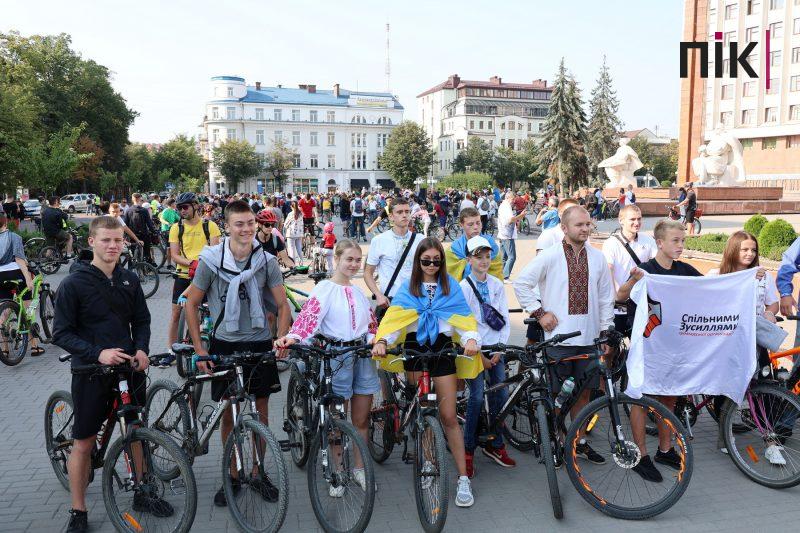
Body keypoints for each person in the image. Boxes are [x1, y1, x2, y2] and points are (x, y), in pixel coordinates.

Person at [53, 216, 165, 533]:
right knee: (84, 443)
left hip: (128, 369)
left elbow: (141, 321)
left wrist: (142, 349)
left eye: (118, 240)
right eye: (106, 240)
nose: (113, 246)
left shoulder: (129, 280)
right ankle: (78, 511)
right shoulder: (74, 284)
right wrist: (97, 352)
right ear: (92, 242)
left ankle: (142, 492)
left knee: (135, 431)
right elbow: (61, 333)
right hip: (91, 372)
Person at [185, 200, 291, 507]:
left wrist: (282, 338)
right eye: (239, 224)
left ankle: (258, 472)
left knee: (261, 412)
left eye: (250, 223)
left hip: (258, 343)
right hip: (224, 344)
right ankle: (232, 474)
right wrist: (200, 348)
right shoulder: (212, 260)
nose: (245, 229)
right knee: (229, 414)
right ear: (227, 226)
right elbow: (190, 303)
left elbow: (283, 304)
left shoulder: (266, 260)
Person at [372, 237, 481, 508]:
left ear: (442, 262)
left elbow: (464, 318)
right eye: (426, 260)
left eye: (436, 260)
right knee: (421, 407)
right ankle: (428, 462)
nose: (431, 265)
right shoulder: (407, 288)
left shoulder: (450, 286)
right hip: (414, 348)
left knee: (448, 416)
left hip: (442, 348)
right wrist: (384, 340)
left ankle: (463, 478)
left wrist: (470, 339)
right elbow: (395, 319)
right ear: (418, 262)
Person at [275, 239, 379, 494]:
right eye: (349, 260)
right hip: (336, 357)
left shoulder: (358, 293)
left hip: (362, 356)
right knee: (335, 418)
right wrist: (294, 337)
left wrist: (377, 339)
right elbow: (309, 318)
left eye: (357, 261)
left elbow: (370, 326)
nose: (353, 265)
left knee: (361, 419)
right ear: (337, 260)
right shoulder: (324, 289)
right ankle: (338, 471)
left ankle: (359, 469)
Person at [513, 205, 614, 465]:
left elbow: (606, 297)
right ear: (564, 228)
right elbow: (521, 282)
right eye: (579, 224)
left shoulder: (597, 257)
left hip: (589, 340)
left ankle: (578, 443)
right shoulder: (551, 255)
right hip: (559, 341)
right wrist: (539, 313)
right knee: (558, 396)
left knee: (583, 395)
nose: (585, 229)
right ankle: (557, 442)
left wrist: (604, 330)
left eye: (588, 224)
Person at [616, 219, 702, 482]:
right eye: (675, 241)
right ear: (660, 242)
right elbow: (620, 297)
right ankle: (640, 456)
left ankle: (665, 450)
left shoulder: (685, 270)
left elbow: (713, 288)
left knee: (669, 398)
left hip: (673, 348)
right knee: (642, 400)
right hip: (646, 348)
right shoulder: (645, 270)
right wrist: (632, 280)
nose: (680, 246)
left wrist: (745, 277)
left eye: (683, 241)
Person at [709, 230, 780, 457]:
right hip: (727, 342)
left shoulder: (763, 276)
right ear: (733, 250)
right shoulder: (717, 274)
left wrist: (770, 313)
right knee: (726, 390)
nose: (750, 254)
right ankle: (724, 435)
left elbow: (773, 303)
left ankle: (770, 441)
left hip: (756, 342)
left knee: (764, 388)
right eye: (745, 249)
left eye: (753, 250)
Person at [459, 236, 514, 477]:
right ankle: (468, 450)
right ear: (469, 259)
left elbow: (504, 318)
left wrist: (500, 349)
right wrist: (479, 354)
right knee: (477, 398)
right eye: (478, 257)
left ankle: (496, 443)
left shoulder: (496, 284)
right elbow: (463, 324)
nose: (483, 261)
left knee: (501, 396)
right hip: (473, 350)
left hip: (496, 348)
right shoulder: (463, 287)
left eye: (487, 256)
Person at [161, 192, 221, 367]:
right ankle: (171, 350)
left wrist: (202, 264)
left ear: (195, 206)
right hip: (184, 275)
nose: (181, 210)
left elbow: (215, 251)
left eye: (185, 207)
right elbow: (174, 254)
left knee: (212, 313)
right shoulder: (176, 228)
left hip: (206, 276)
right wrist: (192, 263)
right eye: (179, 208)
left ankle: (213, 345)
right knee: (175, 313)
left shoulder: (209, 226)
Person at [601, 204, 657, 333]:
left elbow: (656, 264)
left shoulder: (648, 240)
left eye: (639, 219)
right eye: (632, 219)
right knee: (614, 342)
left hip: (641, 301)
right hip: (620, 301)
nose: (637, 223)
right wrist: (617, 298)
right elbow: (609, 271)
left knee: (641, 339)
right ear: (621, 221)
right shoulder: (611, 243)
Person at [364, 198, 421, 312]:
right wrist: (378, 295)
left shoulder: (420, 239)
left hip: (416, 300)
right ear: (391, 217)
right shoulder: (379, 240)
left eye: (407, 211)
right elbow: (367, 273)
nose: (404, 215)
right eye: (399, 212)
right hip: (391, 302)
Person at [0, 208, 42, 356]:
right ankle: (34, 346)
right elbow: (19, 259)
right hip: (14, 273)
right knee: (26, 307)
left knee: (3, 312)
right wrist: (28, 279)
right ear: (5, 221)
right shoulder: (14, 237)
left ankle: (4, 350)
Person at [445, 207, 503, 281]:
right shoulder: (454, 249)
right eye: (470, 224)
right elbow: (449, 276)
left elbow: (497, 270)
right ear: (461, 225)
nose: (476, 227)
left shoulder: (491, 244)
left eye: (478, 223)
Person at [496, 192, 527, 283]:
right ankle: (505, 277)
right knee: (512, 257)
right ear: (509, 198)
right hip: (507, 235)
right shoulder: (506, 207)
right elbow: (510, 220)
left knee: (504, 257)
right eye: (513, 199)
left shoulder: (504, 206)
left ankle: (501, 276)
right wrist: (521, 216)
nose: (514, 201)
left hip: (503, 234)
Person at [124, 193, 158, 264]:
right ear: (140, 199)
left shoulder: (128, 210)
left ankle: (132, 269)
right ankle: (148, 269)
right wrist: (154, 231)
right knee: (147, 252)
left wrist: (125, 236)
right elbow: (149, 223)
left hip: (132, 235)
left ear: (132, 199)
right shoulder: (144, 210)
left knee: (132, 254)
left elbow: (125, 224)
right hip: (144, 234)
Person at [283, 200, 305, 265]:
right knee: (299, 249)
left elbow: (286, 224)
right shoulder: (301, 214)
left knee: (291, 249)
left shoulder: (290, 214)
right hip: (299, 234)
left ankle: (293, 264)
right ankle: (301, 263)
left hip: (291, 234)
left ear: (291, 206)